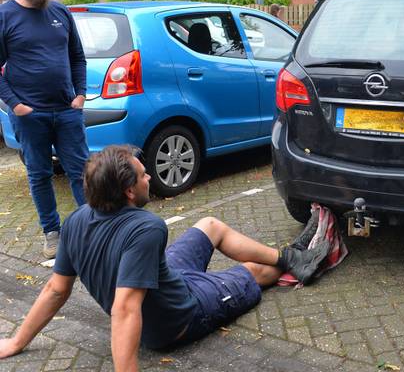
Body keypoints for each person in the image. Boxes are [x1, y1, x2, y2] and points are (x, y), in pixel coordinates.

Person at [0, 145, 328, 370]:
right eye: (143, 175)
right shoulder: (147, 227)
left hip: (168, 280)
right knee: (252, 271)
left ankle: (289, 256)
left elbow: (55, 289)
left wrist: (16, 341)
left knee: (210, 225)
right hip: (180, 319)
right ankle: (298, 263)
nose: (149, 178)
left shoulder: (76, 220)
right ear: (129, 191)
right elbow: (125, 308)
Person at [0, 0, 89, 259]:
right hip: (29, 115)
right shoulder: (5, 17)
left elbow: (77, 57)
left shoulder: (60, 12)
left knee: (81, 172)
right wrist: (15, 104)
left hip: (67, 110)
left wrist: (80, 94)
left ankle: (93, 229)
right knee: (39, 175)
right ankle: (53, 234)